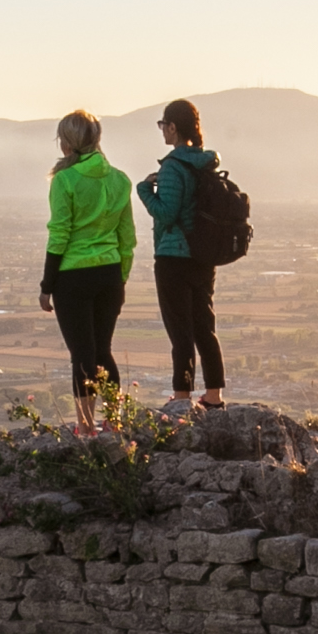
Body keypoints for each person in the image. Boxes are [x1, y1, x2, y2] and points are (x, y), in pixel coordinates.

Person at [37, 108, 136, 428]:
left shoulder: (64, 180)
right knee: (103, 351)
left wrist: (46, 285)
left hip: (72, 278)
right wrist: (120, 278)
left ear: (67, 143)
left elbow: (59, 235)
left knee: (82, 353)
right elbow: (127, 239)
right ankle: (115, 421)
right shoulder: (120, 180)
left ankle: (86, 425)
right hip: (109, 274)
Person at [138, 98, 227, 410]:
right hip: (203, 256)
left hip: (174, 257)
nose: (163, 131)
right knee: (205, 327)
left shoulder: (174, 166)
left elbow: (166, 213)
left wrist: (144, 191)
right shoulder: (204, 163)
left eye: (164, 125)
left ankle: (182, 397)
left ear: (173, 127)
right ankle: (214, 395)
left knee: (180, 331)